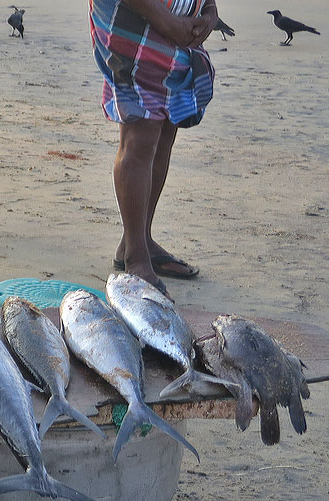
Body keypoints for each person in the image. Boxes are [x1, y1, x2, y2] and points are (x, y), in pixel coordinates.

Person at [89, 0, 218, 296]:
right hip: (137, 20)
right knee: (141, 132)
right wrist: (164, 19)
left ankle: (138, 241)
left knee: (164, 129)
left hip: (178, 29)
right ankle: (136, 257)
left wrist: (209, 11)